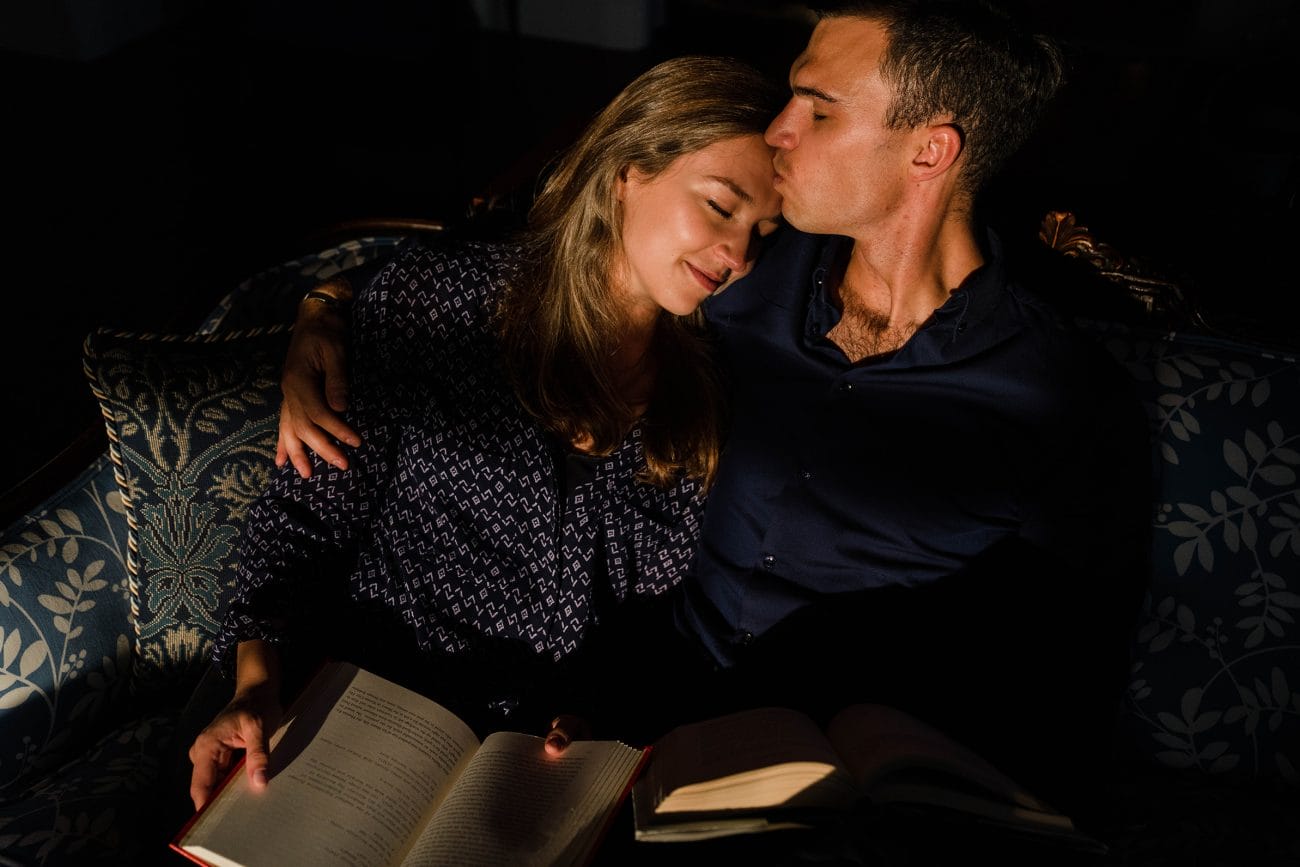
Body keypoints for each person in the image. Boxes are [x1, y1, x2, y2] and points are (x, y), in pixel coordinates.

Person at [276, 0, 1151, 835]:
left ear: (929, 152)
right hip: (648, 735)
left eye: (816, 108)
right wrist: (327, 307)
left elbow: (1069, 687)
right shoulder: (741, 274)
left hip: (864, 791)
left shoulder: (1058, 396)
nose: (779, 128)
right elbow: (552, 238)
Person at [185, 54, 784, 813]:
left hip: (532, 772)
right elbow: (302, 518)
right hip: (358, 715)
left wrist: (596, 713)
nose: (737, 255)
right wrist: (256, 681)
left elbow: (655, 622)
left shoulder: (704, 393)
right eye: (721, 206)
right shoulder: (450, 305)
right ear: (627, 170)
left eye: (763, 231)